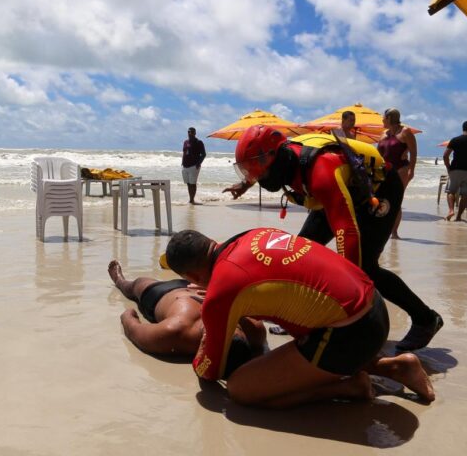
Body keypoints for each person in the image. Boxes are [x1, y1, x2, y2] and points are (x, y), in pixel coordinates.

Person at [223, 126, 442, 352]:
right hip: (342, 190)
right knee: (300, 256)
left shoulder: (319, 172)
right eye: (248, 171)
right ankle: (301, 316)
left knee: (363, 267)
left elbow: (346, 231)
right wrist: (244, 184)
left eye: (256, 171)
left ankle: (426, 319)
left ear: (274, 157)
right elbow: (259, 166)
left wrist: (349, 293)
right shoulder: (282, 159)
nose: (255, 176)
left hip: (379, 189)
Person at [162, 228, 435, 409]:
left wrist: (208, 332)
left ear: (193, 278)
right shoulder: (251, 235)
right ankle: (393, 367)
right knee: (308, 323)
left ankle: (350, 387)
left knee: (241, 389)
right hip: (373, 303)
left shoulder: (222, 292)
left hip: (350, 333)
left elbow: (209, 369)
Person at [109, 260, 266, 377]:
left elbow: (132, 327)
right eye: (234, 326)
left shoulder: (175, 332)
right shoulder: (254, 330)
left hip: (162, 294)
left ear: (206, 345)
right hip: (201, 286)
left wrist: (128, 314)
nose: (227, 323)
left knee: (135, 286)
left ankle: (119, 280)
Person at [377, 108, 417, 239]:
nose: (382, 120)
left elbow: (413, 152)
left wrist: (411, 170)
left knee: (396, 201)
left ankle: (394, 232)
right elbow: (379, 154)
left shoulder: (405, 132)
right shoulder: (383, 134)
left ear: (389, 118)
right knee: (382, 200)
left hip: (401, 170)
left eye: (383, 117)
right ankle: (383, 228)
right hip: (385, 171)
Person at [182, 127, 206, 204]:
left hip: (194, 166)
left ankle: (192, 200)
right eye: (189, 132)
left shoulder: (199, 142)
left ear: (195, 133)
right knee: (188, 183)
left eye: (192, 132)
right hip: (185, 166)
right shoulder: (185, 142)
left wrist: (198, 164)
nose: (190, 133)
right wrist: (182, 162)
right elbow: (184, 152)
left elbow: (203, 154)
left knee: (193, 183)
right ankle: (190, 199)